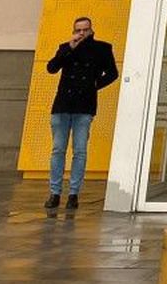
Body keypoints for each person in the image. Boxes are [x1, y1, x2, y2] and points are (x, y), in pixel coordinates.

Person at [44, 15, 119, 211]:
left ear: (92, 30)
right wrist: (69, 48)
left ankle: (74, 194)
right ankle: (54, 193)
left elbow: (112, 73)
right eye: (78, 30)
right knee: (58, 149)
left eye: (85, 30)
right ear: (73, 31)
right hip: (62, 105)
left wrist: (94, 85)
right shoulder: (65, 48)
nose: (82, 33)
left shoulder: (102, 48)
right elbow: (51, 68)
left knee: (80, 151)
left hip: (84, 106)